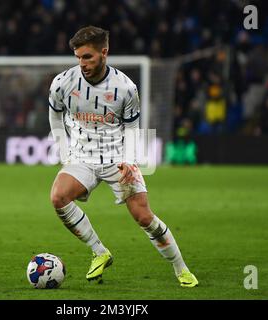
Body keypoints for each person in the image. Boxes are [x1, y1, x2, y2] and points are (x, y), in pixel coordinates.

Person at [48, 26, 198, 287]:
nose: (82, 64)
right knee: (58, 197)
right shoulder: (63, 83)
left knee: (143, 216)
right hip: (82, 157)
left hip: (117, 157)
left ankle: (181, 268)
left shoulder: (126, 88)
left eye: (88, 57)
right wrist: (64, 152)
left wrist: (130, 161)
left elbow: (132, 127)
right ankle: (99, 252)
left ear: (104, 52)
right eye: (78, 57)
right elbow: (55, 115)